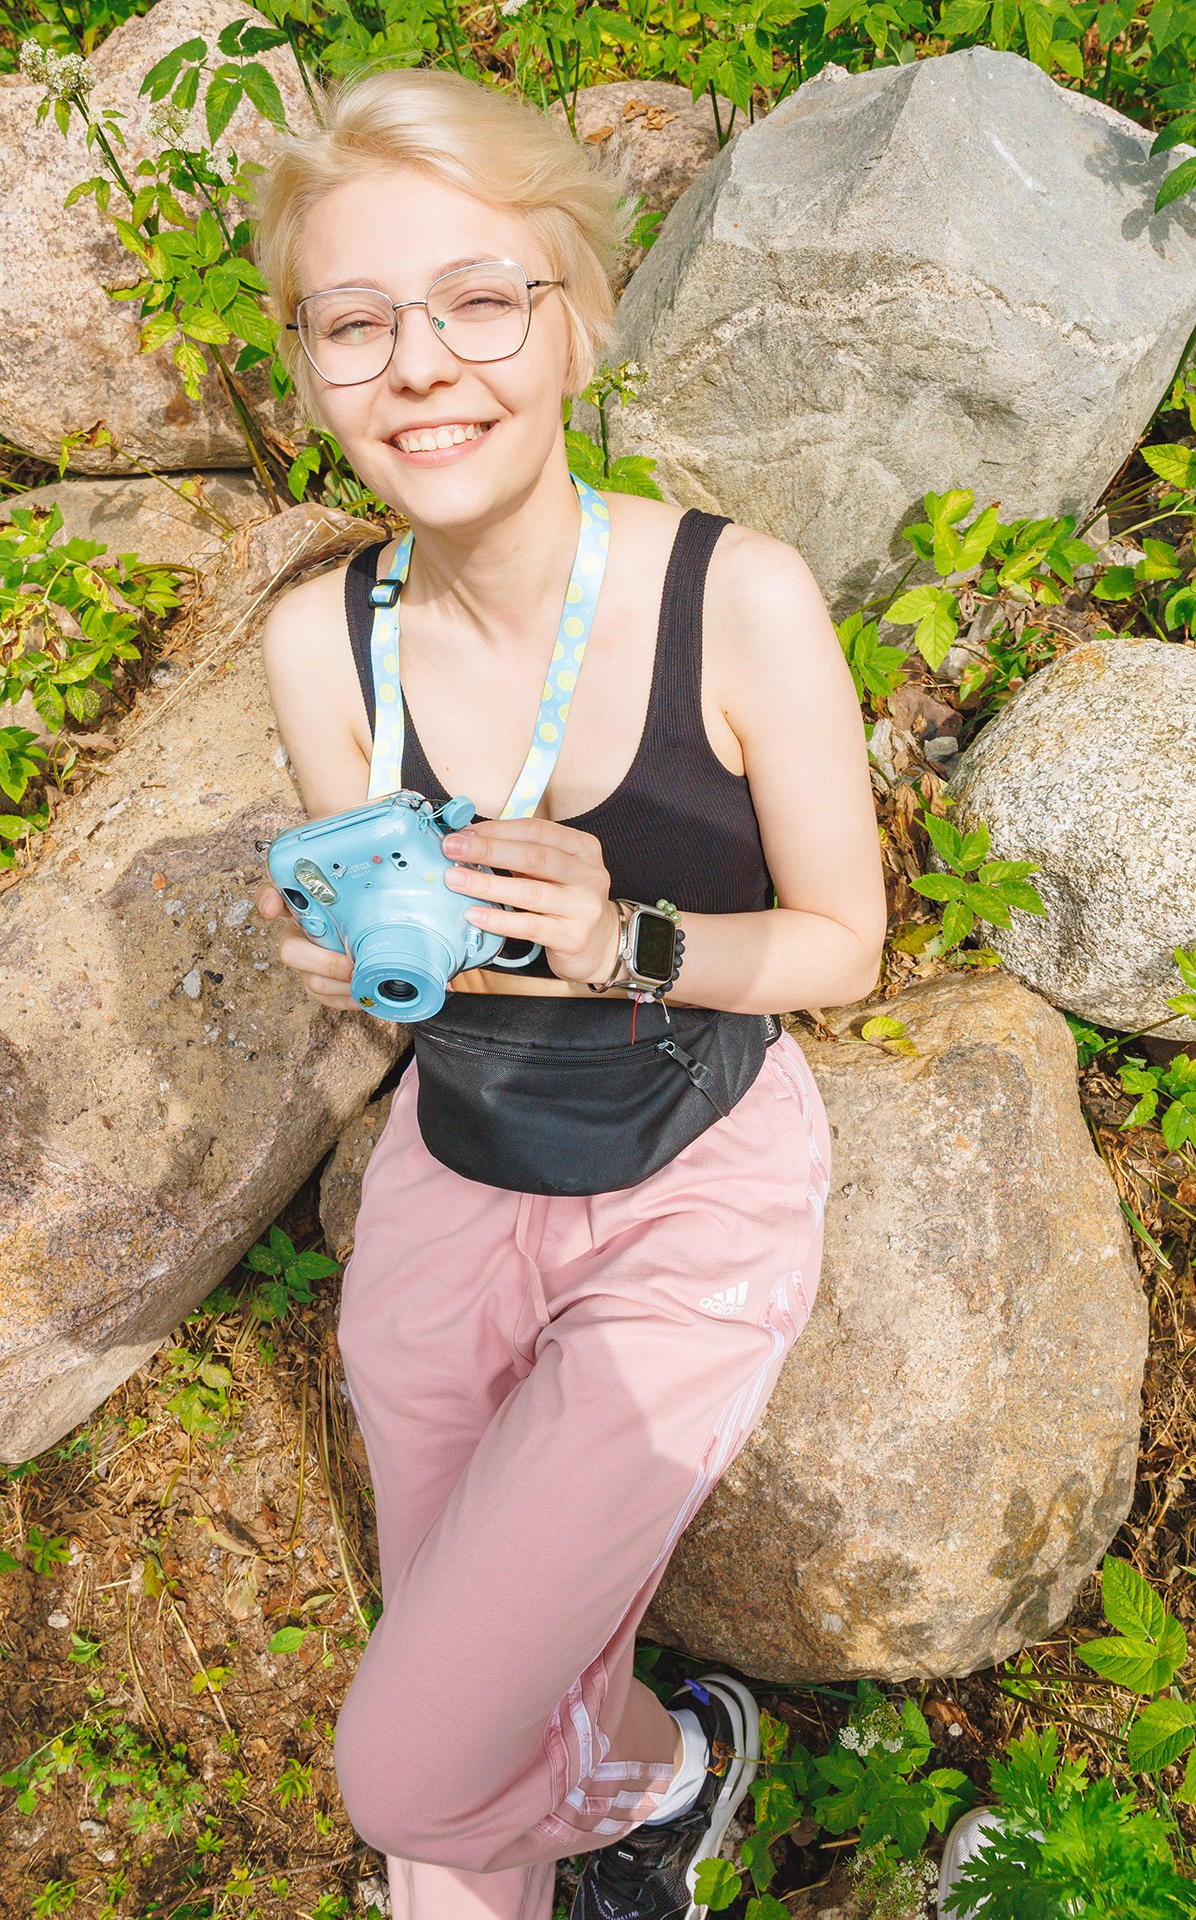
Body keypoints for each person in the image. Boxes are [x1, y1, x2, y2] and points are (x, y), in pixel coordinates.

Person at [251, 62, 885, 1920]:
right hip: (457, 1186)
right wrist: (363, 975)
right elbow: (408, 979)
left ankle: (682, 1767)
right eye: (355, 323)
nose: (420, 366)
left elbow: (843, 947)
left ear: (577, 319)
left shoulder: (740, 598)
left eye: (476, 299)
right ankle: (626, 1799)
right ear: (308, 370)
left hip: (690, 1185)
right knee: (470, 1727)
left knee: (412, 1780)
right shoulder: (325, 642)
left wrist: (636, 944)